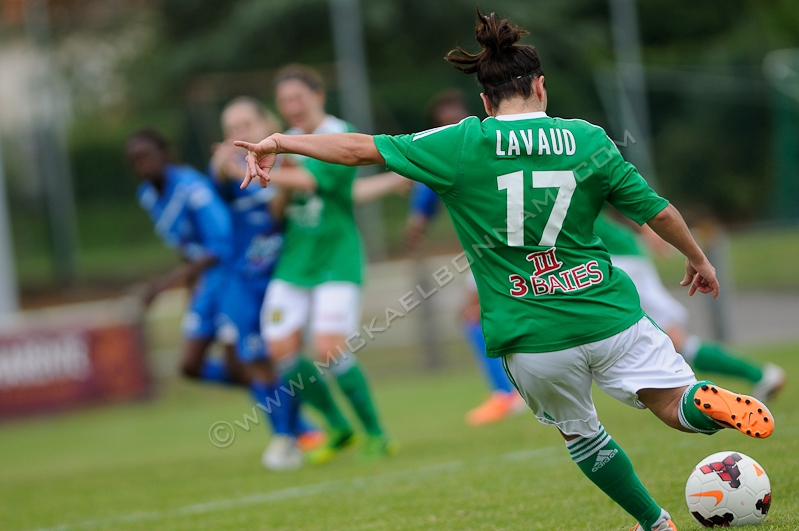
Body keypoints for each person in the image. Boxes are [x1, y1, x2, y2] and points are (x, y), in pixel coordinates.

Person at [233, 11, 775, 531]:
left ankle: (655, 523)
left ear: (484, 99)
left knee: (582, 435)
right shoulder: (587, 138)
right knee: (671, 404)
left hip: (532, 334)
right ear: (540, 86)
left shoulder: (462, 142)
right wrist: (697, 257)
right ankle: (700, 401)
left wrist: (280, 141)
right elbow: (656, 210)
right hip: (608, 313)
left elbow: (357, 149)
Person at [127, 128, 300, 470]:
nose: (143, 164)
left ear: (165, 152)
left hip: (226, 276)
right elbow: (182, 244)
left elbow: (220, 245)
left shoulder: (193, 189)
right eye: (135, 160)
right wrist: (188, 283)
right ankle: (282, 410)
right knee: (191, 366)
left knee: (250, 359)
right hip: (204, 282)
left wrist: (166, 284)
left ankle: (292, 431)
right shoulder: (147, 195)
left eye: (148, 155)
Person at [258, 65, 403, 463]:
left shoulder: (337, 134)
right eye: (285, 101)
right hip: (295, 260)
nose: (292, 106)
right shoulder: (285, 143)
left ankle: (377, 434)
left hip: (336, 258)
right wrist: (273, 173)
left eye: (298, 98)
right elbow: (277, 210)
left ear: (318, 95)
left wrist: (257, 164)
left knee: (329, 350)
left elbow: (316, 183)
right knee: (281, 348)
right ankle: (337, 426)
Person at [406, 89, 525, 426]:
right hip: (504, 245)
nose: (451, 125)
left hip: (503, 245)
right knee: (482, 313)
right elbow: (426, 190)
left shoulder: (476, 145)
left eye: (454, 117)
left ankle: (508, 393)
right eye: (443, 122)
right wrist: (417, 221)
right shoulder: (484, 141)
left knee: (474, 314)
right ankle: (515, 389)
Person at [593, 212, 785, 402]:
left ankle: (756, 377)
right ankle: (758, 377)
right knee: (671, 342)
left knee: (675, 341)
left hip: (612, 260)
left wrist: (647, 228)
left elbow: (617, 190)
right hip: (602, 259)